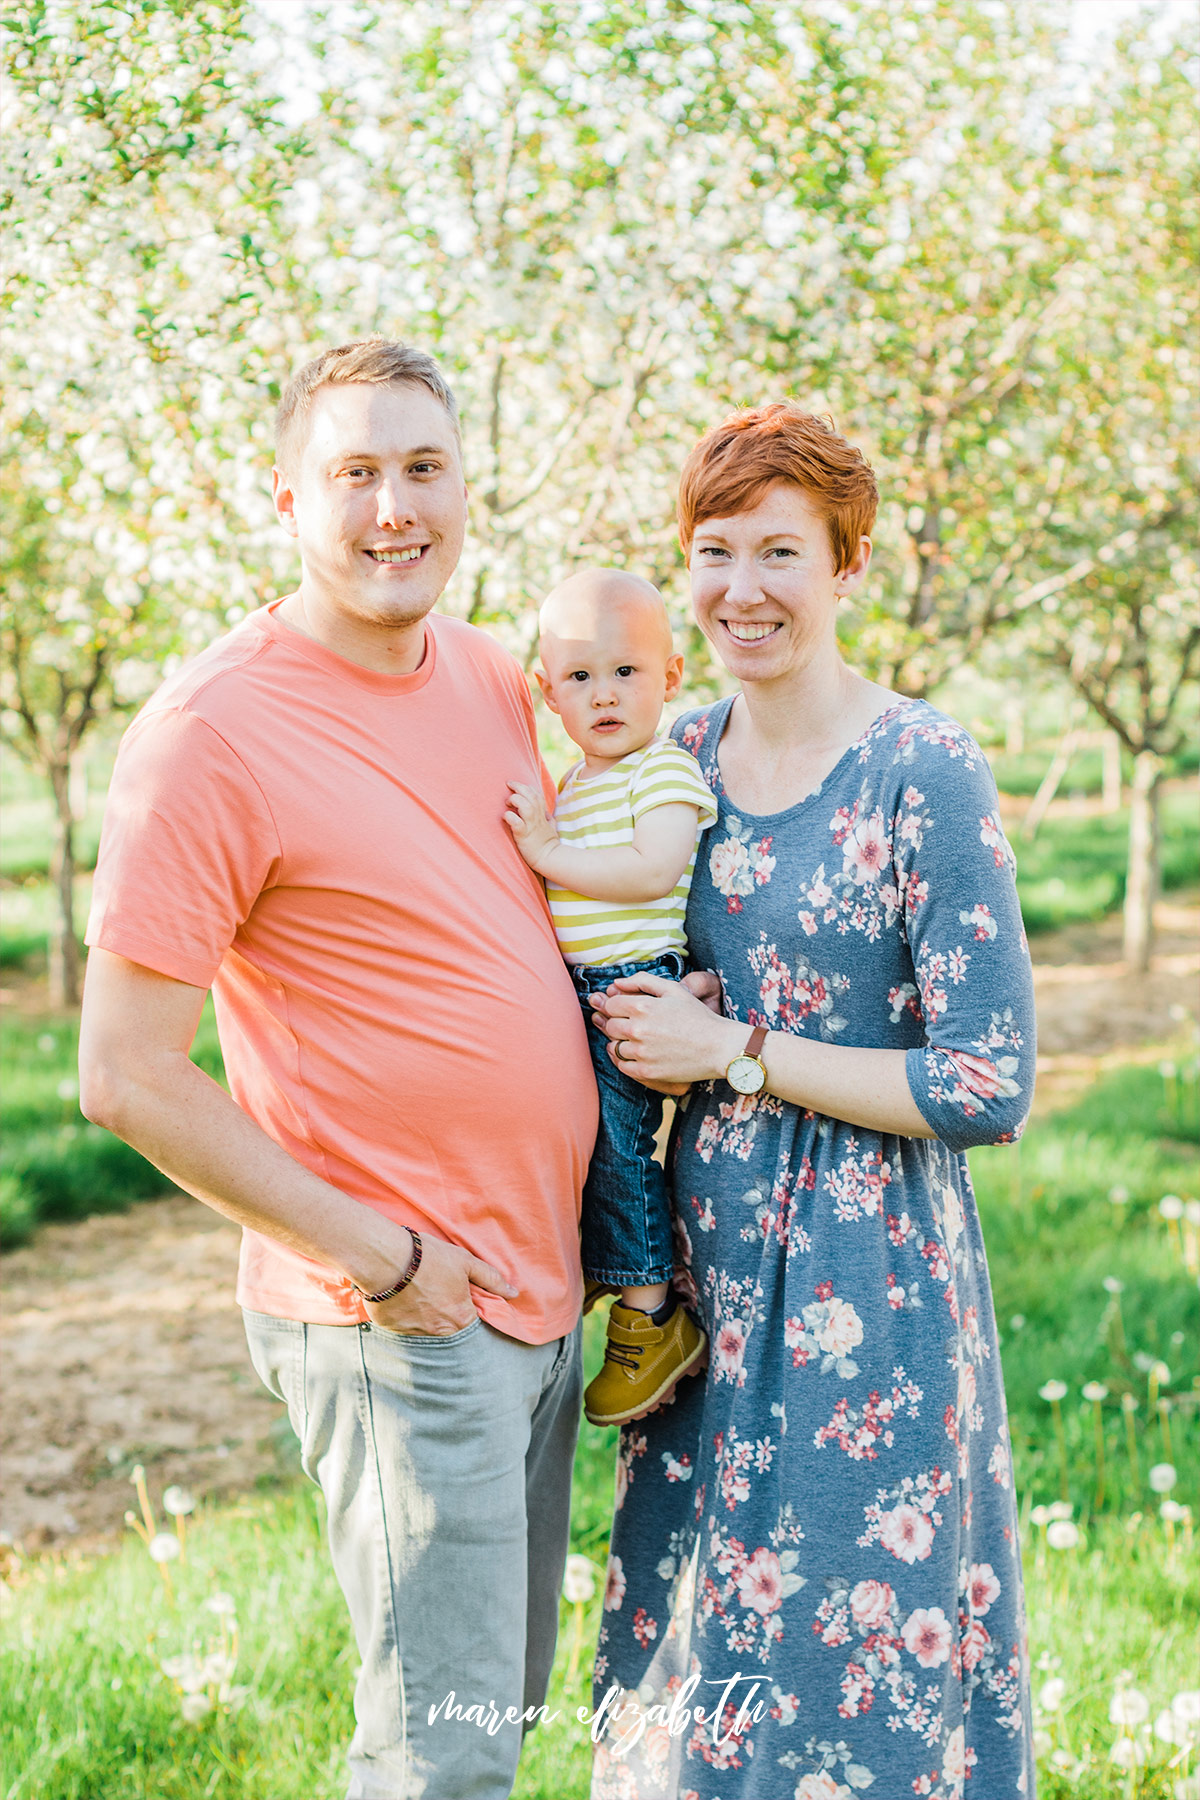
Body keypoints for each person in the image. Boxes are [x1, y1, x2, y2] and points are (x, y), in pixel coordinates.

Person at [77, 339, 598, 1800]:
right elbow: (124, 1074)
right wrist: (383, 1258)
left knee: (493, 1719)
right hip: (401, 1312)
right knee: (438, 1758)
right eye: (354, 472)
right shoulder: (209, 735)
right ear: (288, 497)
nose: (393, 508)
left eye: (423, 467)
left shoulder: (494, 677)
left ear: (465, 485)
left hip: (538, 1293)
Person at [585, 404, 1037, 1799]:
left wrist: (739, 1051)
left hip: (871, 1287)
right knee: (696, 1665)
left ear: (848, 566)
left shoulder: (923, 770)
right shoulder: (676, 764)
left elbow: (987, 1080)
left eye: (780, 551)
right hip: (703, 1283)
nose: (741, 590)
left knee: (859, 1659)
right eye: (713, 553)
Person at [505, 569, 717, 1427]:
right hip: (582, 993)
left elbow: (651, 870)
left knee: (623, 1148)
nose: (604, 695)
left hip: (635, 991)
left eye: (626, 673)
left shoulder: (660, 772)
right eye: (580, 677)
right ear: (547, 690)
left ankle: (649, 1318)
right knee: (589, 1140)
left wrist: (546, 852)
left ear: (669, 678)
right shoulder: (580, 781)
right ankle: (615, 1256)